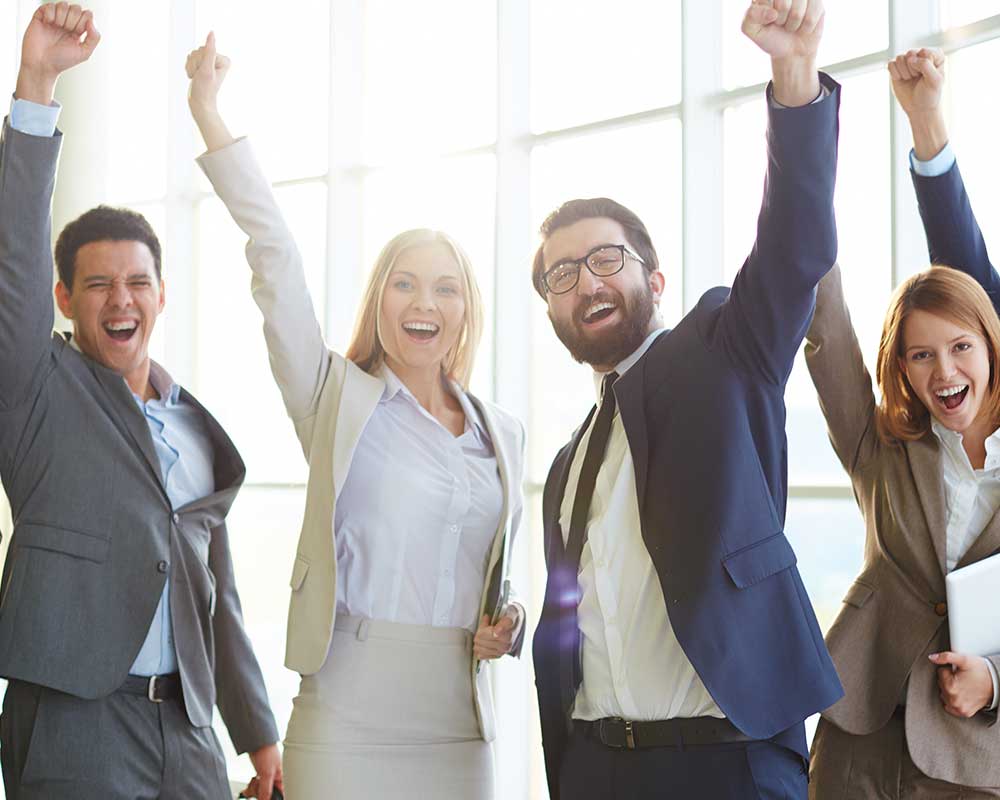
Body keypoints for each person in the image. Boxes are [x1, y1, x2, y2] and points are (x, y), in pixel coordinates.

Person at [184, 32, 527, 800]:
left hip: (459, 720)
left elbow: (496, 575)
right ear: (380, 299)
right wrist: (210, 115)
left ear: (466, 309)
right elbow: (275, 257)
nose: (424, 303)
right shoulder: (332, 397)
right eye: (404, 284)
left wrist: (512, 622)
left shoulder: (503, 433)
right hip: (346, 710)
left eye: (445, 287)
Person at [529, 2, 844, 798]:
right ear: (553, 312)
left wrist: (794, 77)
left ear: (654, 280)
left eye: (606, 258)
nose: (586, 281)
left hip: (725, 762)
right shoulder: (570, 464)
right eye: (561, 275)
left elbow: (794, 245)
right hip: (599, 765)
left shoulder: (721, 350)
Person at [0, 5, 281, 799]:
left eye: (137, 283)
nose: (120, 300)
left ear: (161, 296)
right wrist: (37, 82)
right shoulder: (33, 392)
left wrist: (257, 735)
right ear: (64, 297)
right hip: (75, 727)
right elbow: (13, 256)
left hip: (189, 735)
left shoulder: (193, 426)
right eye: (98, 285)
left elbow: (214, 596)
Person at [805, 47, 1000, 798]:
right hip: (861, 732)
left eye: (959, 347)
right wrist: (805, 176)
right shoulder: (882, 445)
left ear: (991, 345)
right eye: (920, 356)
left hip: (972, 754)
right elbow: (825, 326)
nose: (943, 373)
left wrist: (995, 678)